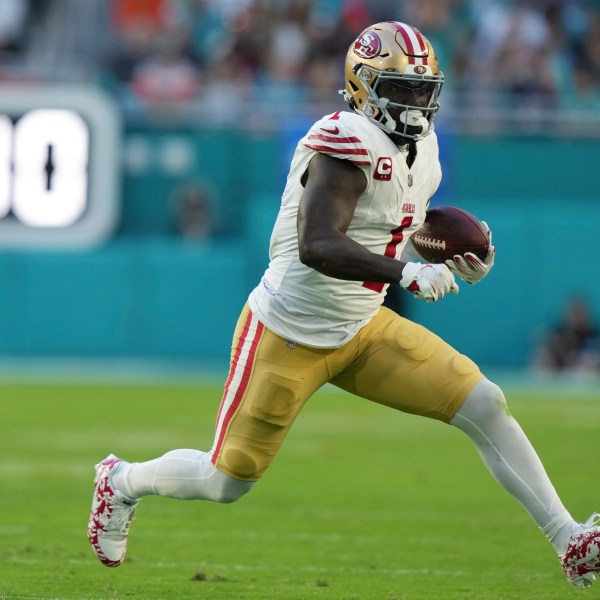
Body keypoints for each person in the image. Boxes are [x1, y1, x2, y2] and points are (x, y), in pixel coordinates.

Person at [87, 21, 600, 588]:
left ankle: (568, 538)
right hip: (288, 332)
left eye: (421, 90)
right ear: (362, 88)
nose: (414, 103)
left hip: (362, 327)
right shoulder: (342, 140)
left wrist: (451, 252)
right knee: (227, 479)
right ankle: (122, 481)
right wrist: (408, 271)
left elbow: (398, 220)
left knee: (484, 403)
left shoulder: (423, 149)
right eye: (400, 89)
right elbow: (319, 244)